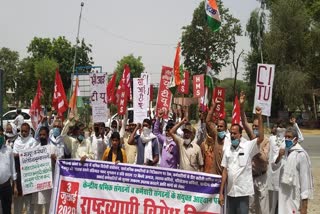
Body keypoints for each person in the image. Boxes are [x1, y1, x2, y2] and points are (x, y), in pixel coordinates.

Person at [219, 106, 265, 214]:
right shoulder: (227, 150)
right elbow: (225, 171)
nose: (233, 136)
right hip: (231, 193)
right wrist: (221, 193)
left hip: (243, 193)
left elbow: (261, 138)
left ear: (240, 135)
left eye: (235, 133)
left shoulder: (248, 147)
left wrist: (259, 116)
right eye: (231, 133)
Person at [240, 92, 270, 214]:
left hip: (262, 177)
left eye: (257, 127)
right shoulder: (250, 140)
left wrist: (256, 149)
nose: (254, 129)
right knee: (250, 207)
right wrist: (241, 106)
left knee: (262, 208)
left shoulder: (267, 141)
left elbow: (264, 160)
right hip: (250, 177)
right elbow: (245, 122)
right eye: (254, 126)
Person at [273, 127, 313, 214]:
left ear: (296, 139)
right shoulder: (284, 151)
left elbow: (305, 179)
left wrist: (304, 205)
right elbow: (274, 166)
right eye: (286, 137)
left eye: (289, 137)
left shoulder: (301, 154)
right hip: (283, 195)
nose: (287, 139)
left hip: (294, 196)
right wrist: (279, 156)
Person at [13, 123, 38, 214]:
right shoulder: (17, 142)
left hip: (29, 173)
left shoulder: (33, 141)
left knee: (29, 199)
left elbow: (33, 155)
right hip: (18, 172)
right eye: (22, 131)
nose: (23, 133)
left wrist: (20, 155)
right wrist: (23, 154)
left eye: (25, 131)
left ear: (29, 131)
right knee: (18, 198)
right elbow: (14, 155)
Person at [201, 98, 229, 175]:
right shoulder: (216, 134)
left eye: (221, 126)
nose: (219, 128)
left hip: (224, 175)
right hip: (214, 174)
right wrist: (214, 105)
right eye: (218, 126)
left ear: (226, 128)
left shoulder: (229, 139)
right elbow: (208, 121)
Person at [268, 120, 286, 214]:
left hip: (283, 175)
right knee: (272, 204)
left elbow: (300, 139)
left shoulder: (287, 140)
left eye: (282, 127)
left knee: (282, 203)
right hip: (273, 174)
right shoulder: (272, 139)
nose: (280, 129)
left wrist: (295, 125)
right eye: (279, 126)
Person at [32, 126, 51, 214]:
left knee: (48, 205)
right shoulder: (35, 149)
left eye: (44, 134)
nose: (42, 136)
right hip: (38, 182)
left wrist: (54, 158)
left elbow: (59, 163)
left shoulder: (52, 148)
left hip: (49, 183)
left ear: (47, 136)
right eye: (40, 135)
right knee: (37, 206)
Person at [0, 128, 18, 214]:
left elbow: (12, 167)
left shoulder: (8, 149)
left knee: (7, 209)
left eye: (0, 135)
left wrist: (15, 186)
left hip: (6, 185)